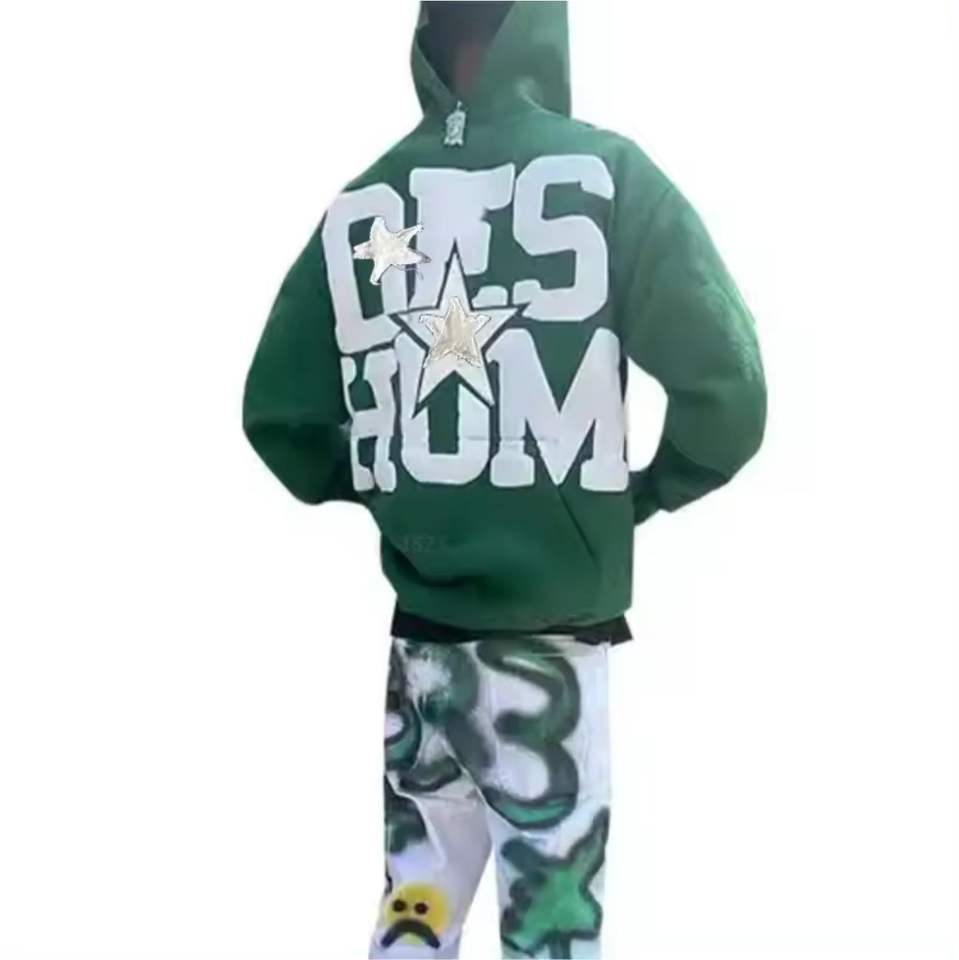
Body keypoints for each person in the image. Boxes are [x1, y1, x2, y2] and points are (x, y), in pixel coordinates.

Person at [243, 2, 766, 957]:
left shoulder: (364, 202)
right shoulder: (609, 178)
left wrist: (396, 486)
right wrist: (641, 494)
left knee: (416, 906)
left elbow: (276, 418)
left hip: (421, 650)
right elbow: (728, 395)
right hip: (550, 655)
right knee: (550, 928)